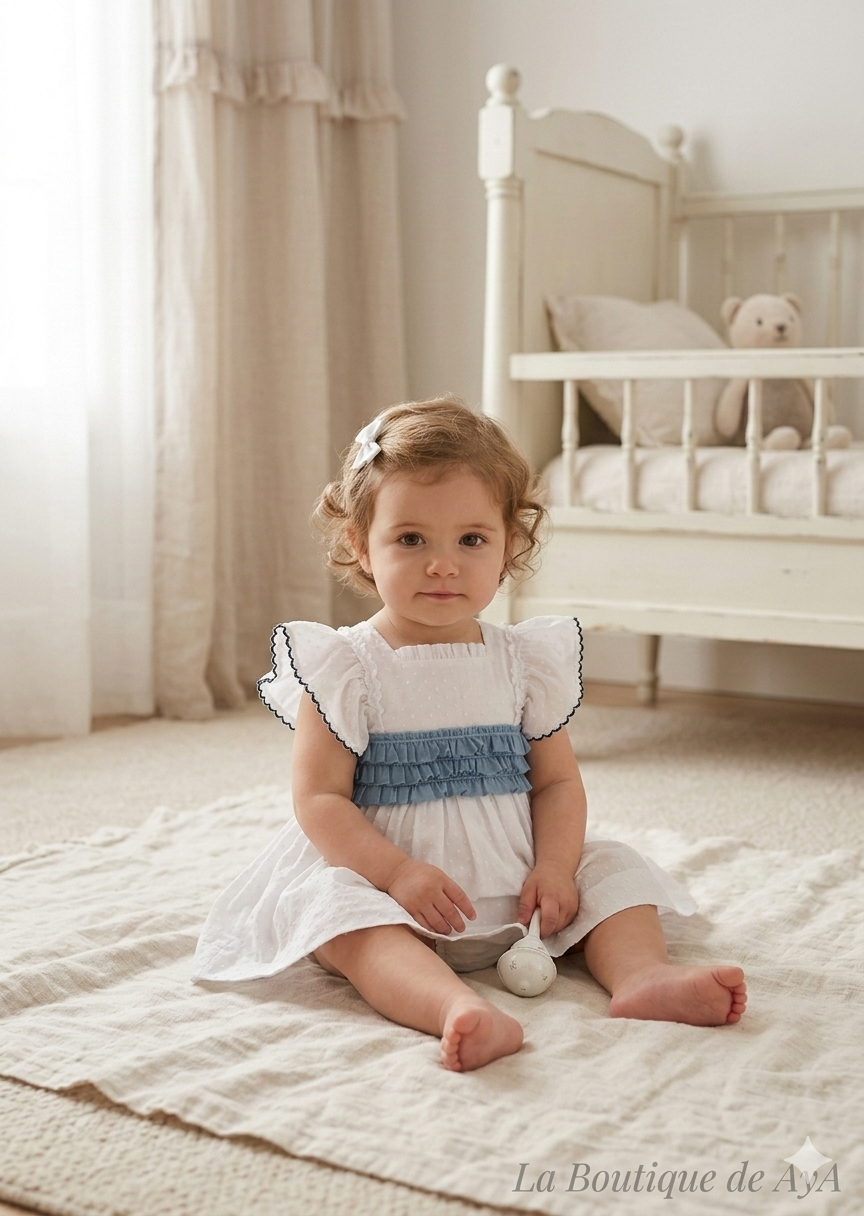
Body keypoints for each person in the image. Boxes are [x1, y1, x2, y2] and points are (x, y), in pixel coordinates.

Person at [193, 397, 746, 1071]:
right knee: (331, 911)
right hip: (396, 895)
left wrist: (554, 866)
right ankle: (452, 1005)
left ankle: (640, 976)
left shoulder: (523, 662)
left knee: (613, 865)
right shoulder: (346, 668)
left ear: (511, 543)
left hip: (520, 893)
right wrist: (396, 874)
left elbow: (558, 781)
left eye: (472, 540)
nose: (443, 565)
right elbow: (319, 801)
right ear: (358, 545)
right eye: (411, 539)